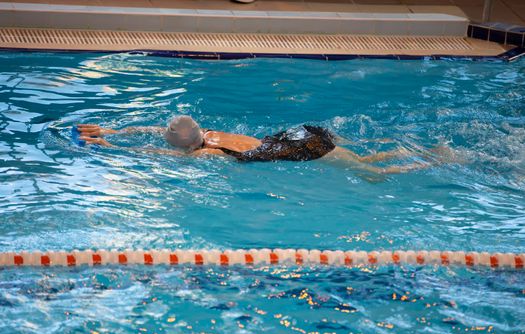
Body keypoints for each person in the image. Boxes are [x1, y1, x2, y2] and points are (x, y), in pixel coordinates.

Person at [76, 115, 429, 175]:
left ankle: (434, 162)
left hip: (296, 150)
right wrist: (112, 130)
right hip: (295, 135)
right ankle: (412, 151)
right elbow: (159, 130)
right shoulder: (208, 134)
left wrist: (110, 145)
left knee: (370, 173)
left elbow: (156, 153)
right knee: (366, 157)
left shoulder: (207, 152)